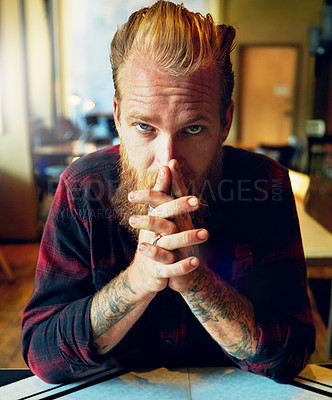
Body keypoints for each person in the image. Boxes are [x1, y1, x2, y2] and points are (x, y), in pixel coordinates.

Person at [22, 0, 315, 384]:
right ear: (118, 118)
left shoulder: (265, 186)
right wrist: (139, 280)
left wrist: (197, 282)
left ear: (225, 121)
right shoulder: (82, 188)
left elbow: (291, 353)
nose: (167, 163)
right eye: (144, 127)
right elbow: (42, 354)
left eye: (193, 129)